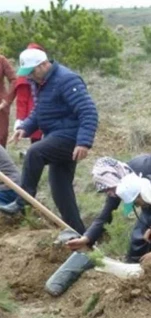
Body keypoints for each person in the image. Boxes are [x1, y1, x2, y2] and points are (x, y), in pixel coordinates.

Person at [0, 49, 98, 234]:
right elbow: (40, 111)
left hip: (70, 136)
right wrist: (25, 127)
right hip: (56, 135)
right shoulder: (42, 82)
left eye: (31, 71)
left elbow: (88, 111)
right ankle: (77, 233)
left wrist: (84, 143)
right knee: (61, 191)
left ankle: (22, 202)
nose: (29, 76)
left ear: (44, 64)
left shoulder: (66, 80)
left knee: (34, 152)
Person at [65, 155, 151, 262]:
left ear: (116, 176)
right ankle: (138, 268)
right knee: (143, 237)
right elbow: (105, 215)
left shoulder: (146, 165)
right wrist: (87, 238)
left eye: (110, 188)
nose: (112, 194)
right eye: (106, 191)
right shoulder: (118, 190)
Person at [13, 43, 45, 145]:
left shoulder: (54, 77)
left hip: (47, 116)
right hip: (33, 114)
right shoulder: (24, 76)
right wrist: (20, 119)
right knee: (36, 142)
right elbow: (22, 100)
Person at [0, 52, 17, 148]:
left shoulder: (1, 60)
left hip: (1, 107)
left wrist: (6, 101)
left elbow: (14, 80)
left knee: (1, 136)